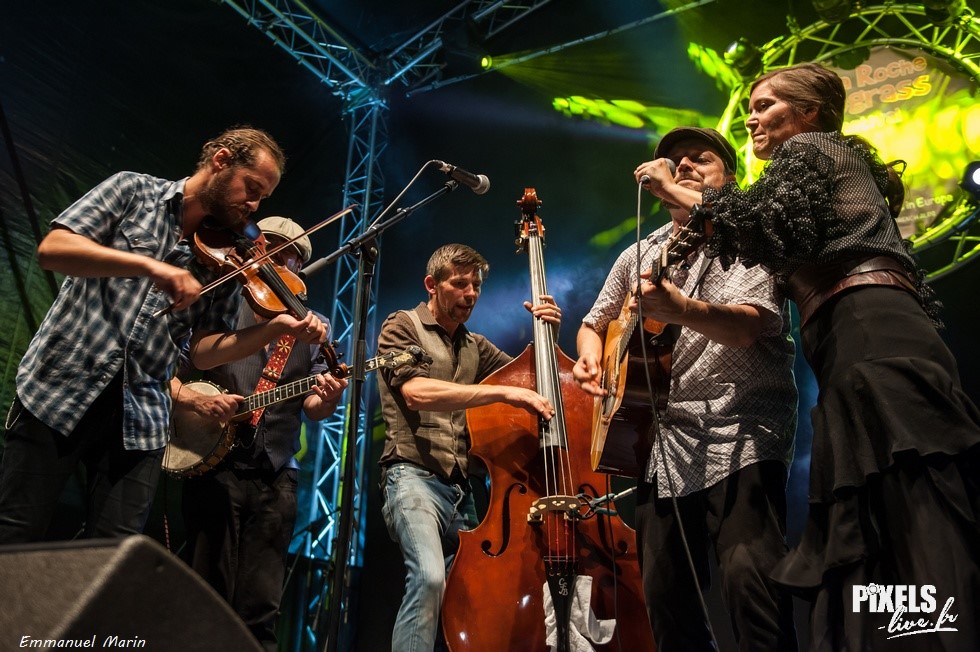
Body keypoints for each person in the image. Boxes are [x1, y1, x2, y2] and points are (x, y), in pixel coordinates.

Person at [665, 62, 980, 650]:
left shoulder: (812, 148)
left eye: (765, 105)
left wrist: (675, 190)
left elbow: (753, 225)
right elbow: (760, 232)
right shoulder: (810, 175)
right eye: (751, 108)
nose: (751, 119)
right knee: (880, 508)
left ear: (808, 112)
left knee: (910, 495)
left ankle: (947, 637)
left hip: (871, 331)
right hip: (847, 339)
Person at [0, 126, 328, 544]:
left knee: (115, 553)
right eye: (251, 188)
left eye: (262, 197)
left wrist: (274, 328)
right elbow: (53, 250)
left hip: (142, 414)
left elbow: (205, 352)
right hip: (62, 387)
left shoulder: (228, 257)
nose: (253, 205)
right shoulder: (133, 191)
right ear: (221, 161)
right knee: (15, 533)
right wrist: (150, 266)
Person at [573, 126, 799, 651]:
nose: (685, 167)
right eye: (675, 163)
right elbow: (593, 322)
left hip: (741, 432)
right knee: (667, 603)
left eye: (701, 159)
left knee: (752, 589)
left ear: (731, 177)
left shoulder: (748, 235)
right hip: (664, 447)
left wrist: (682, 310)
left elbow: (747, 328)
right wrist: (591, 358)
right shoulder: (641, 253)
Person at [172, 216, 348, 651]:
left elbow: (314, 408)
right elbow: (172, 370)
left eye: (292, 257)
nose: (280, 263)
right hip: (215, 464)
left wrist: (328, 398)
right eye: (273, 250)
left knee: (261, 605)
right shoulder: (223, 304)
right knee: (206, 590)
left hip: (277, 473)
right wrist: (195, 401)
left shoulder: (315, 326)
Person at [375, 243, 561, 651]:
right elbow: (416, 392)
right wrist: (498, 394)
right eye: (460, 284)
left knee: (473, 594)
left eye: (476, 285)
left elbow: (533, 379)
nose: (471, 293)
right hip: (411, 476)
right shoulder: (402, 325)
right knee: (429, 577)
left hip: (461, 490)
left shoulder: (474, 344)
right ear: (432, 284)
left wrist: (549, 333)